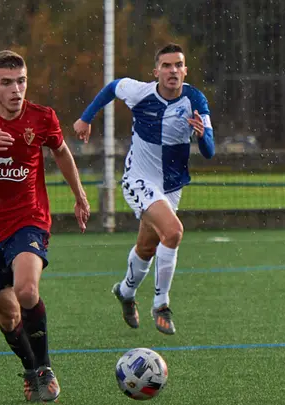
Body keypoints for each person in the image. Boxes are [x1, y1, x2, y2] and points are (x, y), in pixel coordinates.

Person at [0, 50, 90, 402]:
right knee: (9, 317)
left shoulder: (42, 118)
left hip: (29, 218)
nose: (16, 89)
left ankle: (45, 367)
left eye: (21, 81)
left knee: (26, 290)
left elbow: (62, 151)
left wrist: (80, 196)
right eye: (7, 82)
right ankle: (29, 369)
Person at [73, 43, 215, 335]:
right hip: (138, 179)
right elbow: (113, 87)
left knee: (148, 247)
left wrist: (202, 137)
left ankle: (125, 291)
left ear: (185, 70)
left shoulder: (195, 100)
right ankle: (161, 304)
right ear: (156, 72)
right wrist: (86, 118)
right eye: (166, 65)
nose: (173, 70)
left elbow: (210, 151)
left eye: (178, 65)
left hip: (172, 187)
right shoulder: (140, 92)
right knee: (173, 232)